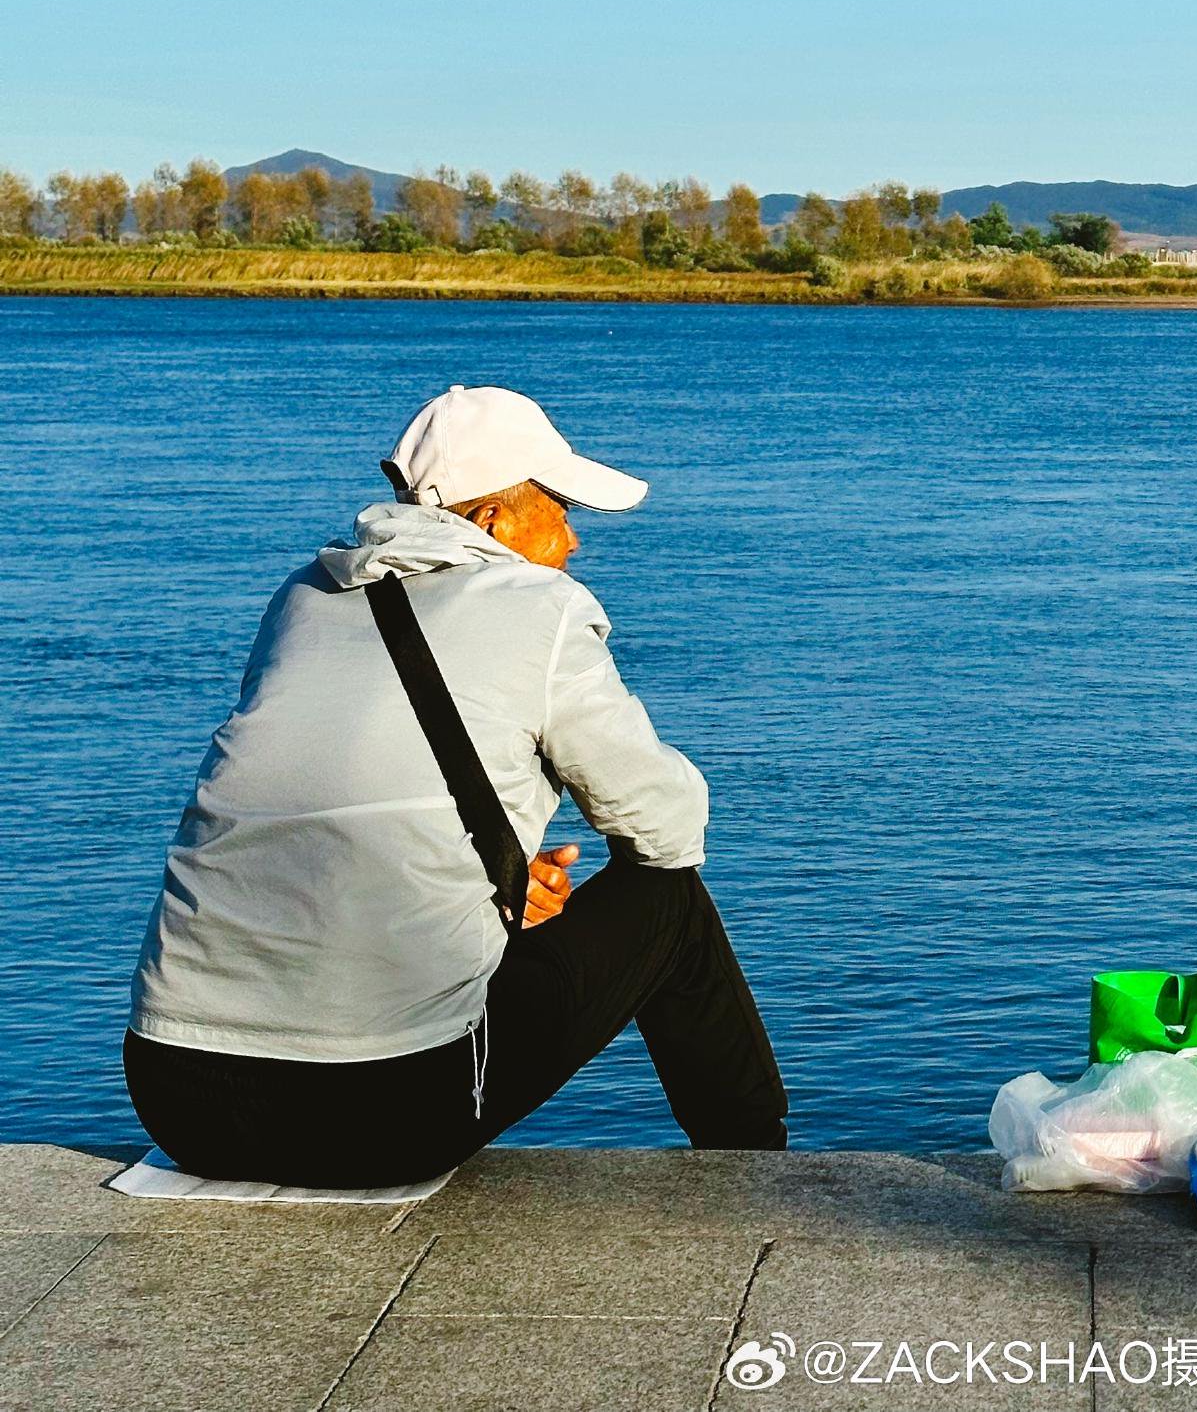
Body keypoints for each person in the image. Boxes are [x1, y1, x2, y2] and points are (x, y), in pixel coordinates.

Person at [126, 384, 786, 1186]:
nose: (575, 540)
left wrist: (500, 876)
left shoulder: (300, 598)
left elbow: (339, 798)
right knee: (668, 898)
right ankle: (760, 1175)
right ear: (491, 523)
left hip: (177, 1093)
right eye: (560, 507)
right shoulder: (542, 605)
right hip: (379, 1113)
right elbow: (668, 826)